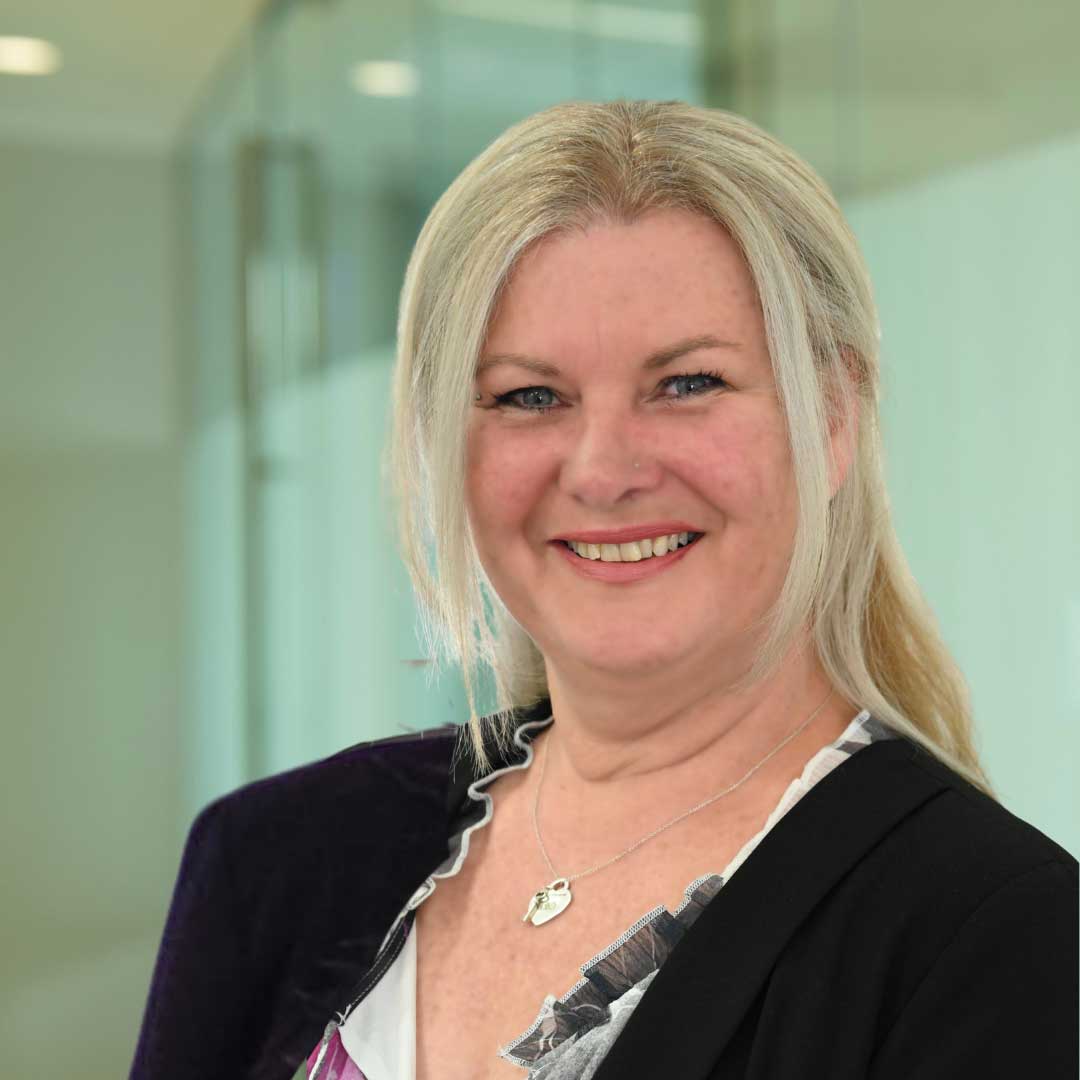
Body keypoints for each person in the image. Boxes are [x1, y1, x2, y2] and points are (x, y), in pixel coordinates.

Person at [130, 100, 1078, 1080]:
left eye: (688, 384)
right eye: (529, 397)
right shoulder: (275, 862)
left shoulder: (997, 937)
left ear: (832, 418)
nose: (603, 470)